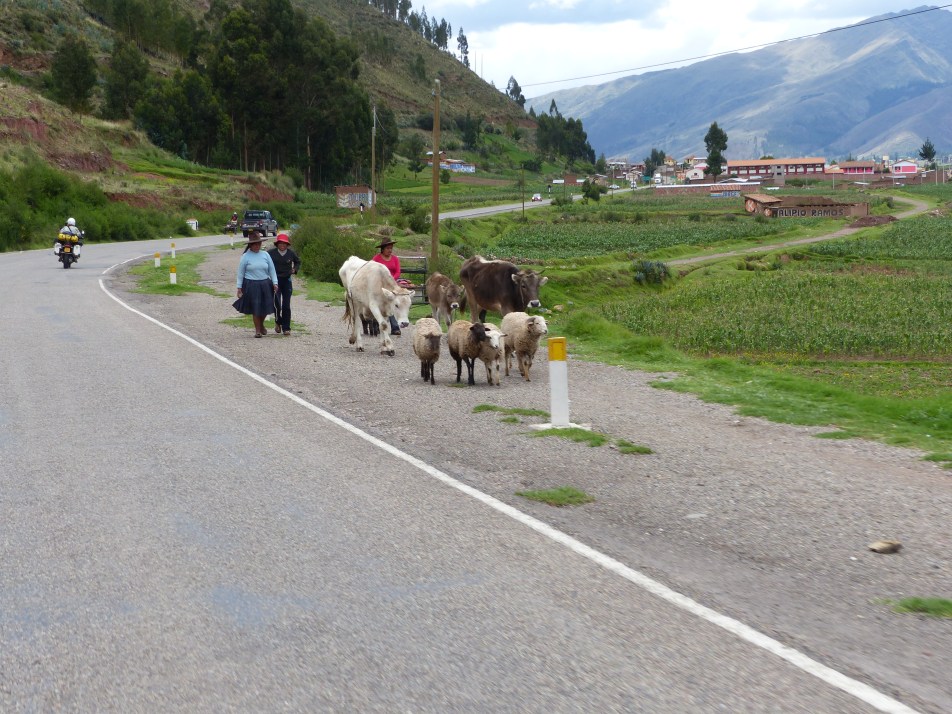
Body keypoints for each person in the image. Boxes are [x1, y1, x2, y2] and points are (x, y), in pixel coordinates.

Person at [233, 231, 278, 338]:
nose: (257, 246)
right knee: (256, 307)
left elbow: (272, 270)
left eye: (258, 244)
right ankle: (257, 330)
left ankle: (261, 324)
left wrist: (275, 282)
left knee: (266, 307)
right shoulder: (245, 256)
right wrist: (239, 287)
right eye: (254, 244)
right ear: (250, 245)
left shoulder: (265, 255)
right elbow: (240, 273)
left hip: (265, 283)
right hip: (251, 284)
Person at [267, 233, 301, 336]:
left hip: (287, 281)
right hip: (275, 282)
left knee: (286, 305)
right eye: (280, 243)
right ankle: (278, 322)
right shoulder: (270, 253)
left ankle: (286, 328)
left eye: (284, 244)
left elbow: (298, 261)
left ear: (287, 244)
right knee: (277, 304)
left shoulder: (291, 253)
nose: (282, 245)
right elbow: (265, 263)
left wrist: (294, 269)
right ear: (277, 244)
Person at [371, 236, 405, 336]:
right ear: (383, 249)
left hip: (392, 284)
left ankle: (395, 327)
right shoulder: (376, 258)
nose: (390, 250)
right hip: (379, 284)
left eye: (391, 248)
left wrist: (391, 279)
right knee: (378, 304)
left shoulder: (395, 259)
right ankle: (377, 325)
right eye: (388, 248)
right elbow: (372, 270)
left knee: (391, 304)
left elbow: (398, 271)